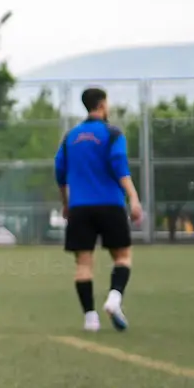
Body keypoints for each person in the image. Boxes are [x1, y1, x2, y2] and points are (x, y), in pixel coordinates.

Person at [55, 87, 141, 330]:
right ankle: (114, 298)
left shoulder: (70, 137)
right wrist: (133, 197)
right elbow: (119, 166)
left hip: (80, 208)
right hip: (110, 205)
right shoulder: (112, 133)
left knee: (83, 264)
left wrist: (66, 203)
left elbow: (59, 172)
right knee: (122, 256)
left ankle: (90, 318)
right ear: (102, 105)